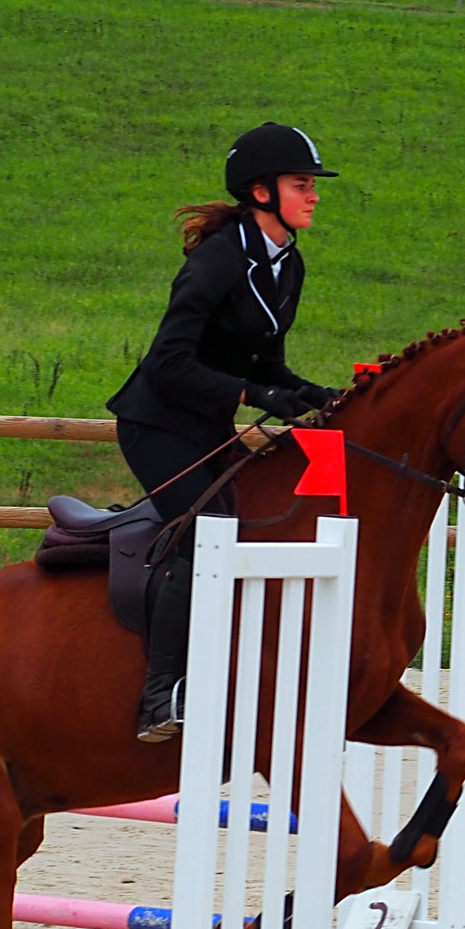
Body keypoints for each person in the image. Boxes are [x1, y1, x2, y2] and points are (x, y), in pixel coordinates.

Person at [107, 122, 343, 741]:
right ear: (262, 192)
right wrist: (258, 396)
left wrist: (317, 396)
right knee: (201, 538)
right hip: (156, 424)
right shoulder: (217, 260)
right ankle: (160, 696)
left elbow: (267, 363)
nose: (314, 195)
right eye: (302, 185)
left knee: (249, 528)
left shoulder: (287, 264)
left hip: (206, 425)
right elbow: (169, 362)